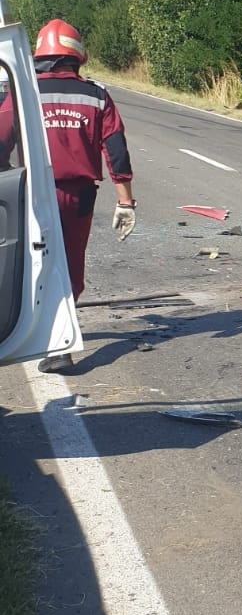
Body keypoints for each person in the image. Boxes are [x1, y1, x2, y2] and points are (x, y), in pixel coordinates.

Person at [30, 19, 136, 371]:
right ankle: (58, 342)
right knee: (68, 265)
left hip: (30, 195)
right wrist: (125, 200)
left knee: (29, 263)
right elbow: (115, 148)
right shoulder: (95, 95)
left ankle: (33, 331)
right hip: (78, 197)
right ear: (77, 57)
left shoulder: (22, 92)